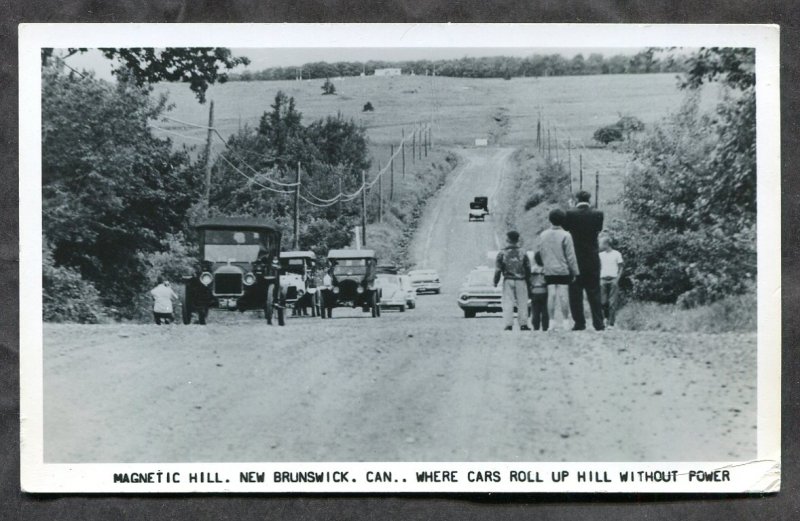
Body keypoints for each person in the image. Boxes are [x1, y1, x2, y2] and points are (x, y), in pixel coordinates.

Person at [564, 190, 605, 331]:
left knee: (575, 292)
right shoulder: (598, 214)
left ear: (576, 200)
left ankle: (579, 323)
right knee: (594, 291)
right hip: (592, 257)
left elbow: (566, 228)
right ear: (589, 200)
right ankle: (599, 323)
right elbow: (598, 229)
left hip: (575, 258)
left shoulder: (570, 214)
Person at [538, 209, 579, 331]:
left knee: (551, 295)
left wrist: (545, 266)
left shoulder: (543, 235)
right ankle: (566, 322)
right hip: (562, 269)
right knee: (563, 295)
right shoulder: (566, 235)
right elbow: (571, 256)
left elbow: (541, 252)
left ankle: (551, 322)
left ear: (550, 219)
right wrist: (575, 271)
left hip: (549, 269)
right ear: (563, 220)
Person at [493, 230, 532, 331]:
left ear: (508, 239)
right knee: (522, 302)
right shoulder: (523, 252)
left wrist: (495, 281)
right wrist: (529, 281)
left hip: (508, 280)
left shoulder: (502, 253)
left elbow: (498, 269)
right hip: (521, 280)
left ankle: (508, 324)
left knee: (508, 302)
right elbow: (528, 268)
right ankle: (523, 324)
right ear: (517, 239)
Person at [598, 236, 624, 329]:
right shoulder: (600, 255)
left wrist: (617, 278)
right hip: (603, 279)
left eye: (601, 243)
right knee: (603, 301)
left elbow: (621, 267)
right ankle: (605, 318)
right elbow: (598, 267)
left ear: (606, 244)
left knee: (612, 302)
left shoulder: (617, 254)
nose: (599, 245)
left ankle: (611, 323)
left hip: (613, 279)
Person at [530, 252, 549, 331]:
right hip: (544, 291)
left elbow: (529, 280)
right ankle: (545, 326)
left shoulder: (533, 269)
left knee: (535, 310)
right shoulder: (546, 269)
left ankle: (536, 326)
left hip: (534, 291)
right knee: (545, 310)